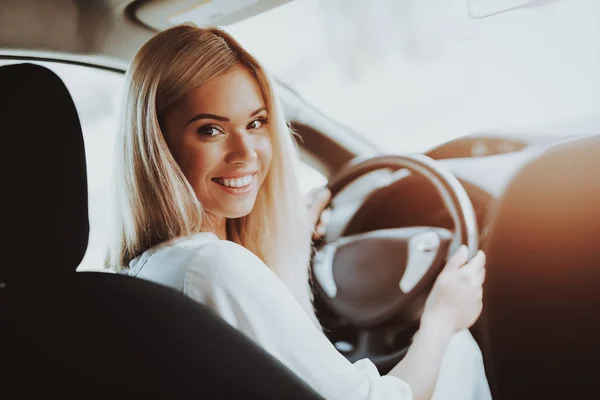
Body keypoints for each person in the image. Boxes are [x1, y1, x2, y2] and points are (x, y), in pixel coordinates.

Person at [107, 24, 492, 400]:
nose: (246, 153)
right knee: (456, 350)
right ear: (156, 144)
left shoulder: (147, 272)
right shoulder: (213, 267)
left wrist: (290, 237)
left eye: (256, 123)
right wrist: (441, 319)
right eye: (211, 130)